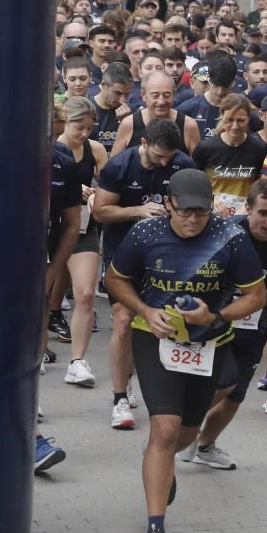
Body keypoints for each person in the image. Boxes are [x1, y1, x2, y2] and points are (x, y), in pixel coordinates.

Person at [103, 169, 267, 533]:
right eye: (184, 212)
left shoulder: (231, 235)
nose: (193, 220)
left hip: (208, 344)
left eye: (201, 211)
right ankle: (155, 530)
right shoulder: (145, 233)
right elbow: (114, 279)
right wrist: (145, 310)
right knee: (165, 427)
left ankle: (159, 457)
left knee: (184, 433)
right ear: (168, 204)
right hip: (153, 336)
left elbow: (257, 295)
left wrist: (216, 316)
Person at [181, 179, 267, 471]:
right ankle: (175, 432)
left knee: (236, 394)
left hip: (257, 322)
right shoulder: (227, 232)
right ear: (248, 209)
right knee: (223, 381)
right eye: (264, 213)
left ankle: (205, 446)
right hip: (220, 318)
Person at [90, 119, 197, 429]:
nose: (165, 163)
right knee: (123, 320)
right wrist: (137, 211)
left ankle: (146, 380)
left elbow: (198, 207)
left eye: (169, 157)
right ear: (144, 143)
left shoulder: (183, 164)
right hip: (123, 251)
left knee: (155, 323)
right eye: (158, 156)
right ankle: (119, 397)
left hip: (165, 255)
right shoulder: (119, 166)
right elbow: (100, 211)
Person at [54, 97, 109, 388]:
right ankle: (34, 356)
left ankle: (77, 361)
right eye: (79, 126)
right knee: (40, 296)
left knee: (86, 293)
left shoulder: (95, 149)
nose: (84, 132)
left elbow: (112, 189)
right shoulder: (49, 146)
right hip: (51, 226)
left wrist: (95, 194)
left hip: (83, 225)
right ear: (65, 122)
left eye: (90, 127)